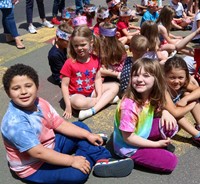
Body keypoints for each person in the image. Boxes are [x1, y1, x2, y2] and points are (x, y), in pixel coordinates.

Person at [1, 63, 134, 184]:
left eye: (28, 86)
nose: (23, 92)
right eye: (16, 88)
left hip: (51, 145)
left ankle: (101, 159)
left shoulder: (39, 102)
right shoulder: (15, 122)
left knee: (81, 128)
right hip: (34, 166)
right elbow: (38, 153)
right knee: (78, 174)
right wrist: (72, 160)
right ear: (8, 92)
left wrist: (87, 135)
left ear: (37, 86)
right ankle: (87, 154)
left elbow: (59, 124)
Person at [113, 57, 178, 173]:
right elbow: (128, 138)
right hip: (128, 146)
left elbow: (158, 110)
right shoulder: (129, 106)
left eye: (146, 76)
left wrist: (165, 112)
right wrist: (155, 144)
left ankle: (151, 148)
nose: (139, 79)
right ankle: (122, 159)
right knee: (170, 161)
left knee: (171, 125)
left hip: (141, 132)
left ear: (156, 79)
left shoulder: (149, 95)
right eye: (135, 75)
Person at [60, 26, 119, 120]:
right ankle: (106, 100)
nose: (79, 48)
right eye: (76, 45)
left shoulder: (95, 59)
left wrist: (99, 95)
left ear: (91, 43)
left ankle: (92, 110)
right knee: (78, 103)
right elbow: (64, 85)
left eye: (83, 45)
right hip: (76, 95)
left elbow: (98, 78)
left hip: (92, 93)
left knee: (115, 86)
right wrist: (68, 106)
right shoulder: (69, 63)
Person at [164, 56, 200, 146]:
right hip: (163, 117)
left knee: (189, 95)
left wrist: (186, 99)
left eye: (180, 77)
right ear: (165, 76)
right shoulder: (163, 89)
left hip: (175, 112)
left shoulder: (184, 83)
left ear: (186, 77)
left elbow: (198, 90)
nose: (176, 81)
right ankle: (197, 135)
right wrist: (191, 104)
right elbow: (175, 113)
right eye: (172, 77)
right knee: (175, 113)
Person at [48, 22, 74, 86]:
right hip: (60, 76)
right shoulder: (54, 55)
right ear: (59, 39)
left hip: (68, 68)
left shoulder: (65, 46)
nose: (70, 44)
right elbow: (63, 71)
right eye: (68, 42)